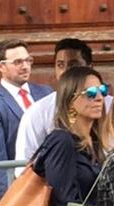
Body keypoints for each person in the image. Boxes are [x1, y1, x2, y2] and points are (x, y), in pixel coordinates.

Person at [31, 67, 106, 206]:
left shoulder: (94, 143)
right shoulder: (61, 140)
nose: (99, 98)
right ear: (70, 100)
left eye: (103, 91)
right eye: (90, 93)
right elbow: (64, 200)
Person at [0, 38, 53, 202]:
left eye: (28, 60)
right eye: (17, 62)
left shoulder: (46, 93)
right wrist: (11, 199)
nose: (25, 66)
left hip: (52, 185)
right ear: (1, 67)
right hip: (20, 191)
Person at [15, 38, 107, 167]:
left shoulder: (111, 106)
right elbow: (25, 164)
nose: (65, 71)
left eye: (73, 65)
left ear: (89, 67)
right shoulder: (38, 112)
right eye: (60, 65)